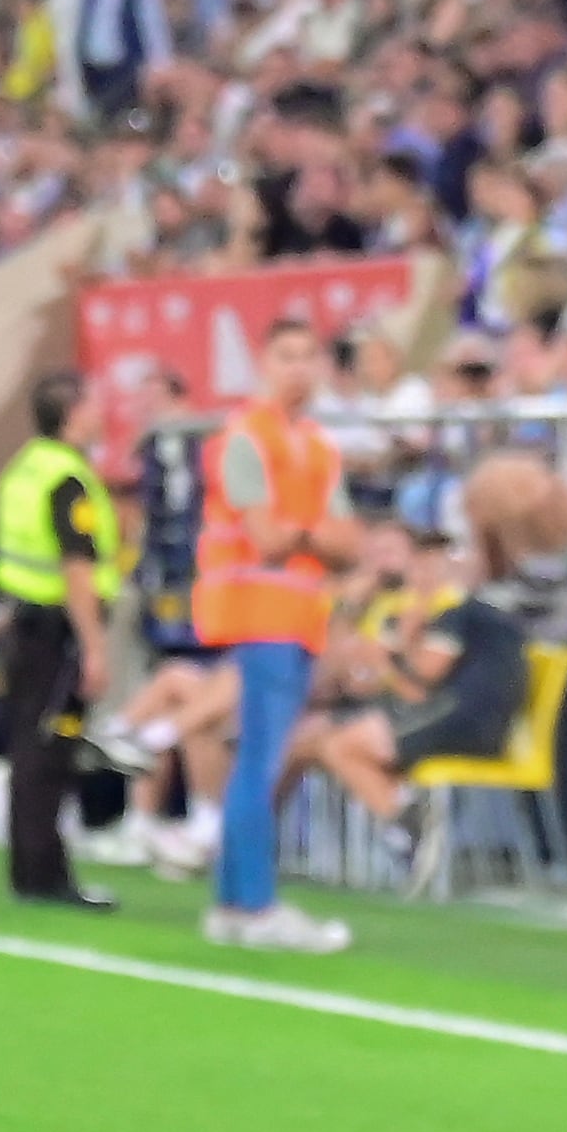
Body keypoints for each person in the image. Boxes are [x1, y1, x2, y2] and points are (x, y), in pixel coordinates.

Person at [189, 315, 360, 953]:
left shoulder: (315, 444)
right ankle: (255, 905)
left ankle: (235, 904)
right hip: (260, 617)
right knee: (261, 763)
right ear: (265, 365)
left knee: (255, 763)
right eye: (287, 355)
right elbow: (268, 537)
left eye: (310, 356)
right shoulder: (247, 438)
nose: (301, 369)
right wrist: (316, 535)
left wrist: (304, 535)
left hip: (293, 620)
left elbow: (350, 542)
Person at [0, 371, 116, 912]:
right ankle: (47, 875)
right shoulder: (68, 479)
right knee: (52, 748)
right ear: (74, 414)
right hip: (60, 631)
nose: (101, 412)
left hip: (25, 623)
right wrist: (94, 646)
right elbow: (77, 567)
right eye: (93, 403)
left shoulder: (24, 468)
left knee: (28, 748)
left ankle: (29, 868)